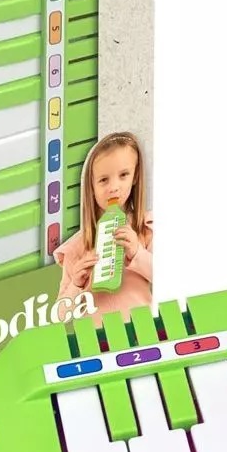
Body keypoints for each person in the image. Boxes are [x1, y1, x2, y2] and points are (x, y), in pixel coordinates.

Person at [54, 131, 152, 323]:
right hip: (96, 336)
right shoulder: (76, 247)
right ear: (91, 186)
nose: (114, 187)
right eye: (103, 180)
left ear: (135, 176)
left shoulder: (145, 228)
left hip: (142, 331)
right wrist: (76, 284)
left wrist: (137, 253)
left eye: (123, 175)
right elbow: (60, 316)